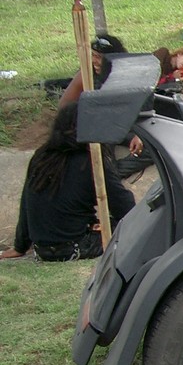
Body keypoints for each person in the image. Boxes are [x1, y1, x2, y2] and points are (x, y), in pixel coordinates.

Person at [0, 102, 134, 261]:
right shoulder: (92, 161)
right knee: (125, 224)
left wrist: (19, 247)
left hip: (42, 250)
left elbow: (26, 205)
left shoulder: (42, 155)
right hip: (76, 247)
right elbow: (125, 207)